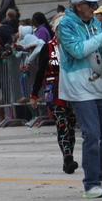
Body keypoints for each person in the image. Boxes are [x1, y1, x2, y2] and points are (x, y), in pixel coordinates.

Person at [57, 0, 102, 199]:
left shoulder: (95, 23)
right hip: (79, 88)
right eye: (91, 4)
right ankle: (90, 184)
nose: (94, 8)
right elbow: (78, 50)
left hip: (101, 86)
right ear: (79, 6)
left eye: (95, 4)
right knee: (92, 134)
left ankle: (101, 175)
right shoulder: (65, 24)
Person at [29, 29, 79, 174]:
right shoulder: (48, 47)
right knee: (62, 123)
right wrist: (34, 94)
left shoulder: (74, 45)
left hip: (73, 89)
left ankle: (69, 154)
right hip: (55, 90)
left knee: (71, 125)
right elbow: (40, 71)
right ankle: (67, 158)